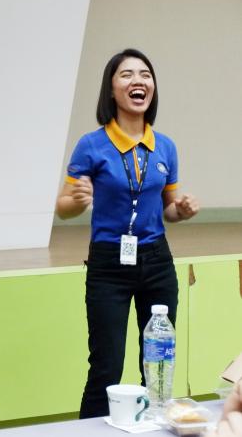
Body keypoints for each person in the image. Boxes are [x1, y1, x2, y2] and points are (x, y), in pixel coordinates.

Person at [55, 48, 199, 418]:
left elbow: (168, 209)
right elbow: (63, 208)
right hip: (108, 265)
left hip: (157, 261)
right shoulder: (92, 144)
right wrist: (77, 200)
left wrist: (181, 211)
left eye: (145, 75)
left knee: (157, 365)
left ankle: (152, 425)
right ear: (112, 89)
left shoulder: (165, 146)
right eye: (127, 74)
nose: (139, 81)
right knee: (106, 366)